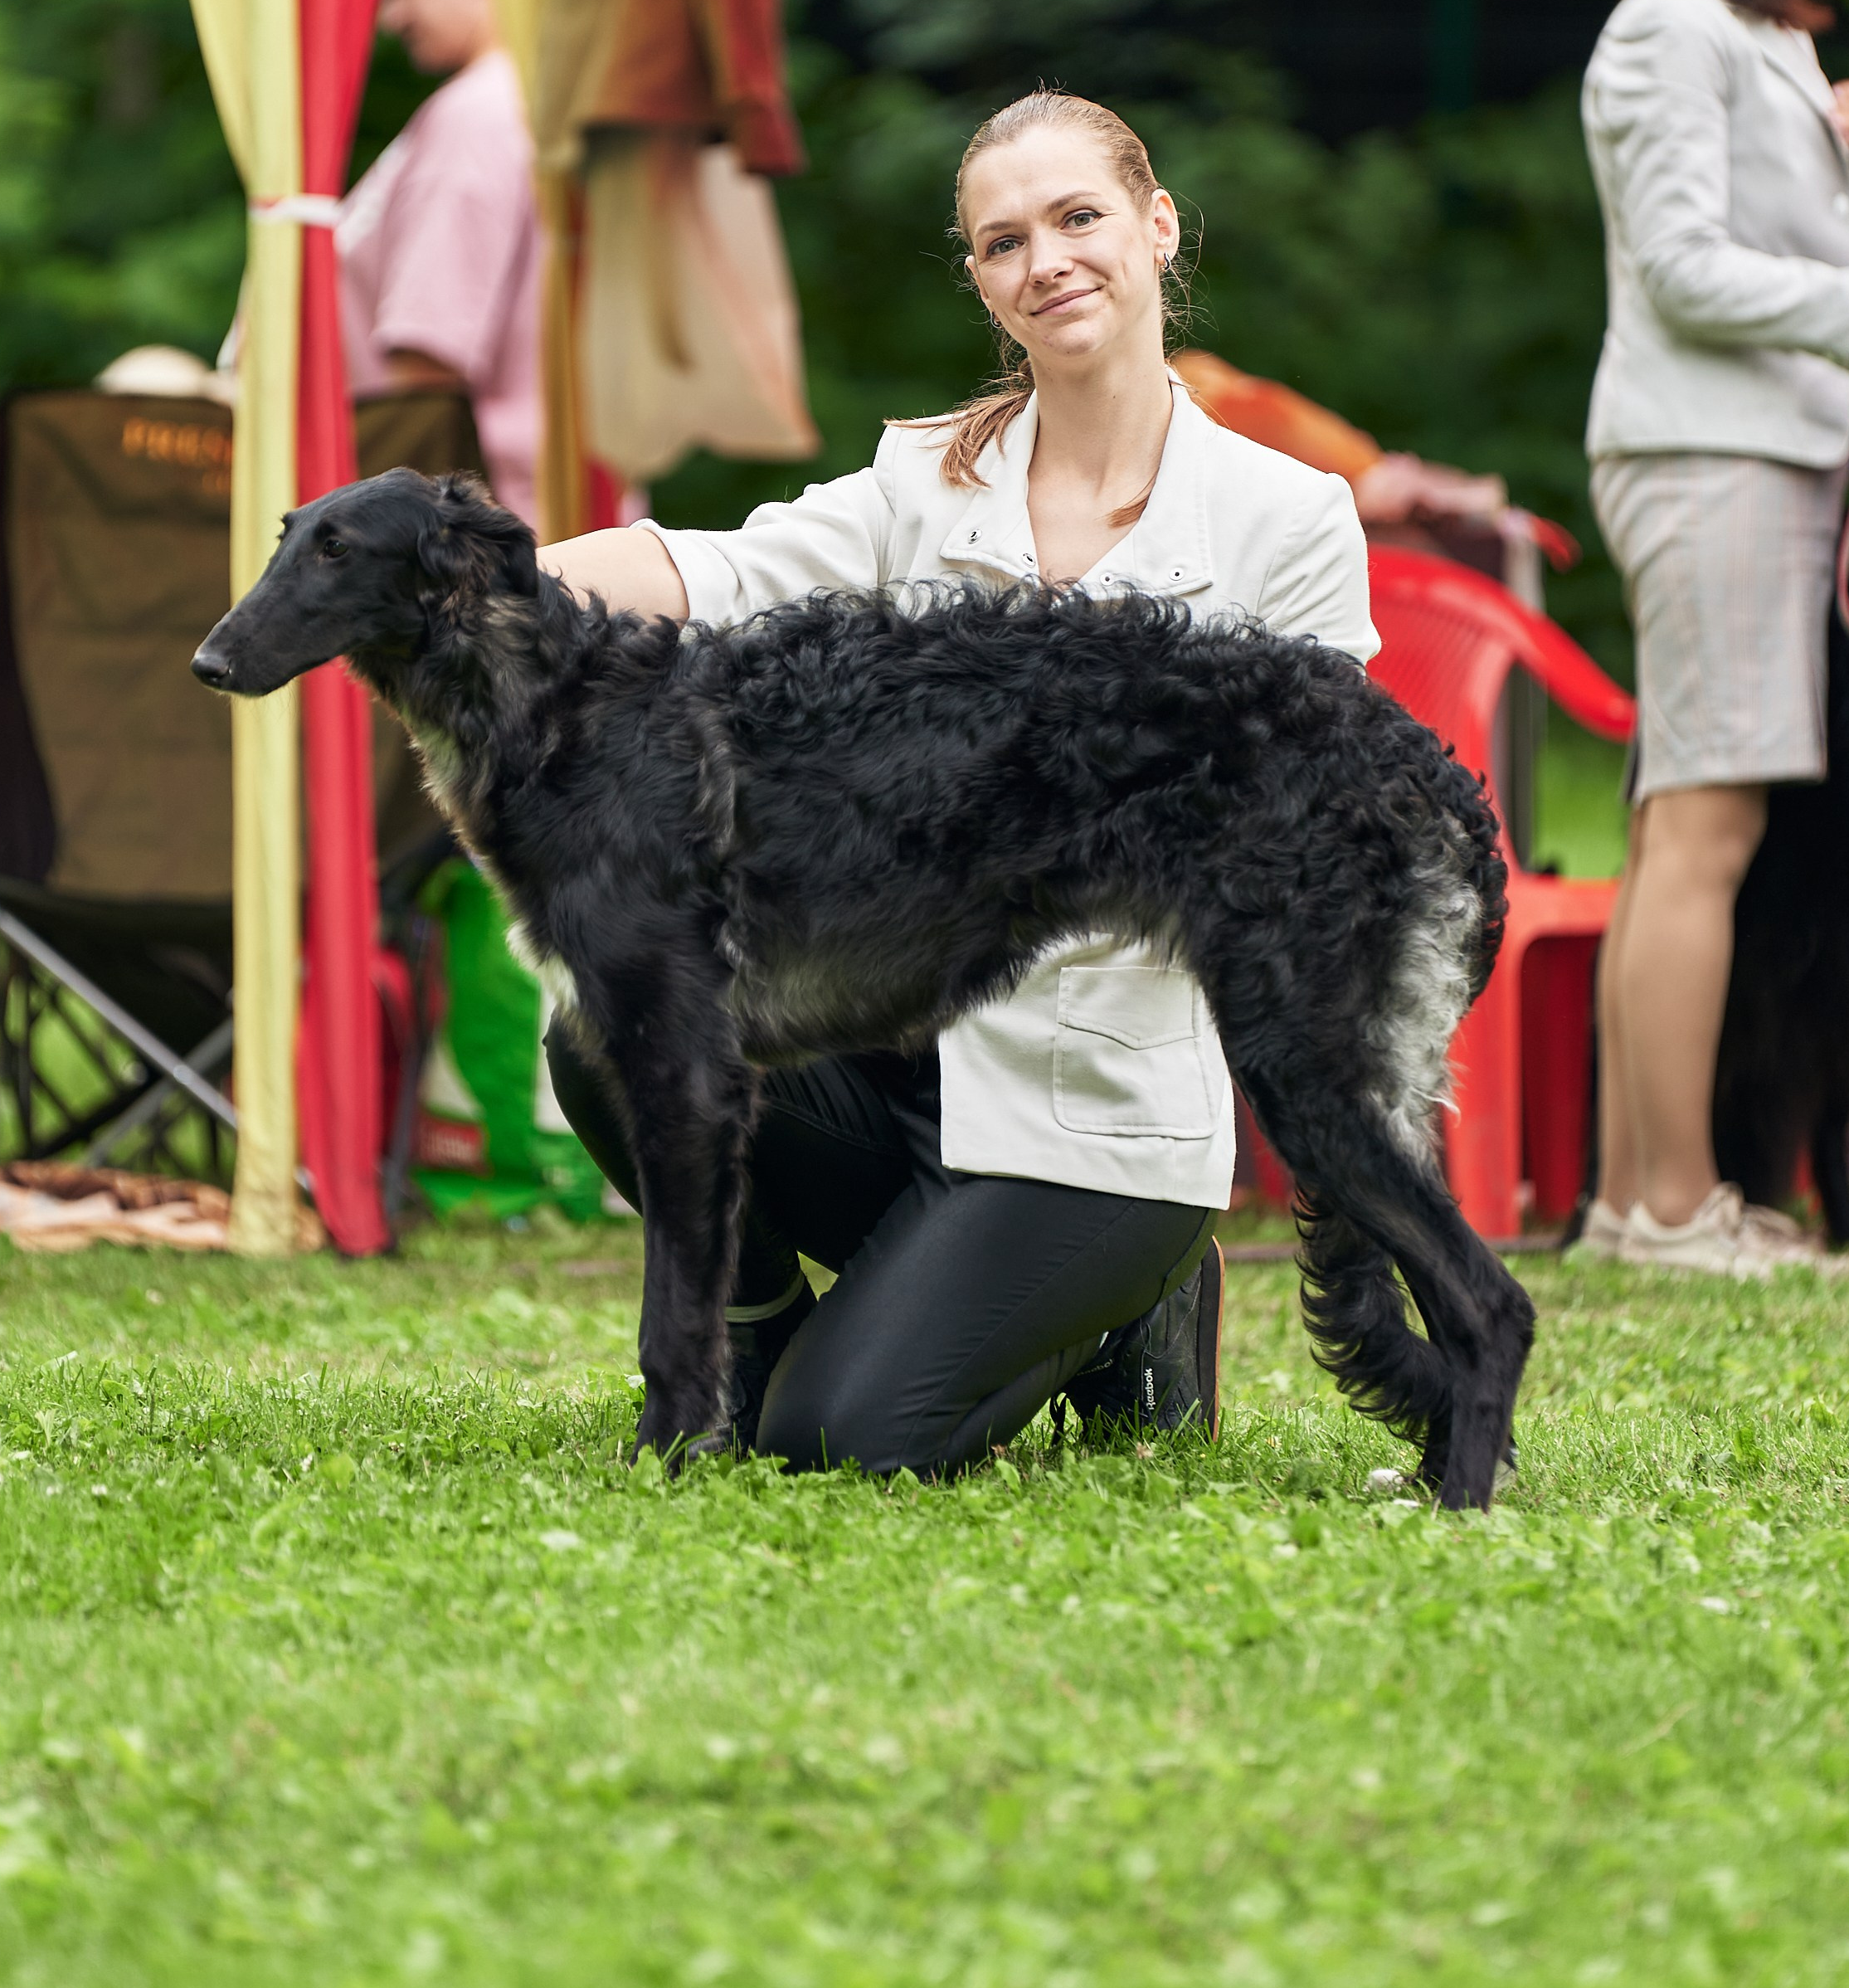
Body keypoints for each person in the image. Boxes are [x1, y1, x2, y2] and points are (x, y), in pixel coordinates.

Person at [536, 89, 1377, 1472]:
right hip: (892, 1053)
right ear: (983, 281)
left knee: (846, 1441)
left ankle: (1133, 1302)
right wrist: (475, 582)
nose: (1045, 259)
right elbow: (716, 570)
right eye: (1004, 241)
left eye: (1077, 218)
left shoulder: (1288, 519)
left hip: (1092, 1109)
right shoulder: (924, 476)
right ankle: (749, 1335)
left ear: (1157, 228)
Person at [1581, 0, 1849, 1275]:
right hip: (1709, 460)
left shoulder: (1745, 39)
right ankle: (1666, 1205)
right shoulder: (1670, 32)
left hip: (1749, 459)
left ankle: (1649, 1197)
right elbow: (1689, 271)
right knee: (1706, 825)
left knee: (1684, 826)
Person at [334, 0, 544, 526]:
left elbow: (427, 369)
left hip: (464, 536)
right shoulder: (520, 104)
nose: (390, 16)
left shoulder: (477, 114)